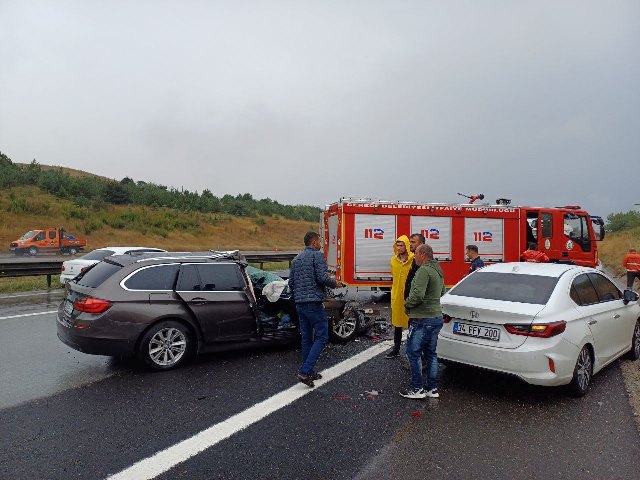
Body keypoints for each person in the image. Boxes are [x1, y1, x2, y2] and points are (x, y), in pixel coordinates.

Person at [289, 231, 345, 387]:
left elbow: (291, 283)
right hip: (313, 303)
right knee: (322, 337)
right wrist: (336, 283)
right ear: (314, 242)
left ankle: (310, 371)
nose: (320, 244)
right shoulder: (317, 255)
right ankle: (305, 372)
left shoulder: (296, 259)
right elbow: (322, 278)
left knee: (307, 338)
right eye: (319, 241)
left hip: (300, 304)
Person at [400, 244, 446, 399]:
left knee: (413, 353)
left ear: (423, 255)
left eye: (416, 253)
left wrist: (407, 304)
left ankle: (416, 388)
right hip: (436, 317)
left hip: (422, 319)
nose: (414, 256)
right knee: (431, 354)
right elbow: (442, 292)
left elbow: (417, 295)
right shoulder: (437, 270)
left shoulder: (423, 271)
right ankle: (432, 389)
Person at [385, 235, 414, 359]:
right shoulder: (393, 260)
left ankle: (411, 351)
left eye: (402, 245)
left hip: (409, 296)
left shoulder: (413, 260)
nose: (399, 247)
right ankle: (396, 349)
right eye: (397, 245)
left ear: (407, 246)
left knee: (412, 324)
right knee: (397, 323)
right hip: (397, 295)